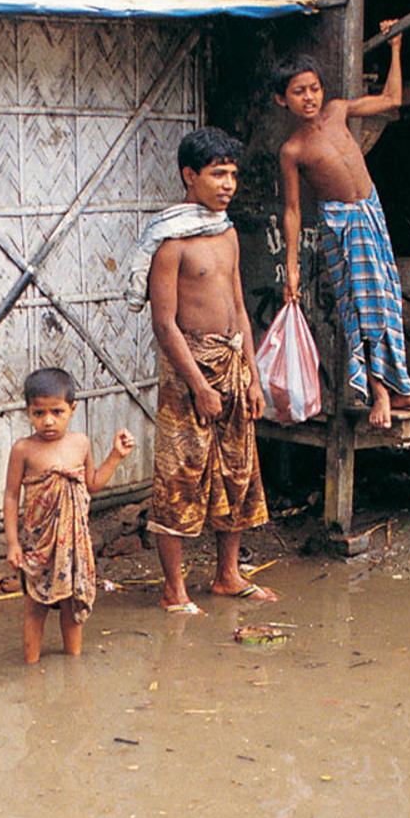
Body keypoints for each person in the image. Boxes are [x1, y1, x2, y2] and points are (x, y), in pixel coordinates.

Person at [144, 127, 277, 613]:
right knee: (180, 476)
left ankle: (227, 575)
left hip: (232, 363)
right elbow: (164, 324)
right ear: (189, 175)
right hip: (188, 372)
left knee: (238, 471)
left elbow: (239, 307)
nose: (228, 185)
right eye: (218, 174)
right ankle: (174, 590)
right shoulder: (171, 243)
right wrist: (199, 385)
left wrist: (253, 376)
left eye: (232, 175)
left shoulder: (226, 233)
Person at [275, 30, 410, 431]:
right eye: (299, 92)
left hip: (371, 211)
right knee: (363, 306)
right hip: (342, 223)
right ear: (282, 100)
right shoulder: (292, 150)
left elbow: (392, 100)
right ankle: (379, 392)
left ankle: (402, 387)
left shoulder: (337, 111)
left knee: (388, 299)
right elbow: (292, 211)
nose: (309, 98)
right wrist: (292, 267)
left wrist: (395, 47)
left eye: (314, 88)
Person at [3, 367, 135, 664]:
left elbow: (93, 484)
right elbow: (11, 496)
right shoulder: (23, 450)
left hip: (73, 543)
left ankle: (73, 665)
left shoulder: (80, 443)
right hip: (38, 543)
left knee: (71, 605)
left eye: (57, 412)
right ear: (28, 412)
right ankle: (31, 668)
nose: (48, 420)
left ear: (72, 409)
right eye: (39, 413)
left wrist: (116, 456)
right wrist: (13, 543)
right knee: (35, 606)